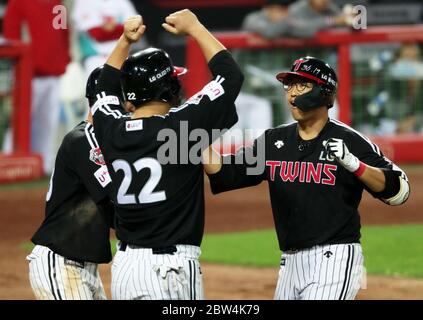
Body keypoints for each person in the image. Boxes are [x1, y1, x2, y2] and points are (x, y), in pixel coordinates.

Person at [203, 56, 410, 300]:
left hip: (335, 259)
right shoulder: (273, 141)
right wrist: (195, 136)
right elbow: (225, 173)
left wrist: (356, 165)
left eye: (302, 85)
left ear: (324, 93)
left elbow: (400, 191)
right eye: (289, 85)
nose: (292, 93)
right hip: (289, 263)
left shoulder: (350, 140)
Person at [92, 11, 243, 300]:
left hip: (125, 268)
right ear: (168, 88)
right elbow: (231, 76)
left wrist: (124, 40)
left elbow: (103, 91)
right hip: (169, 269)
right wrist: (196, 28)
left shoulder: (110, 127)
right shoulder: (180, 128)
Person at [26, 67, 115, 300]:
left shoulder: (109, 142)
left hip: (85, 268)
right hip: (61, 264)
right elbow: (114, 198)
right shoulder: (83, 140)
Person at [3, 0, 70, 174]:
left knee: (48, 122)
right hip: (27, 73)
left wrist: (64, 59)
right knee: (21, 122)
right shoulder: (18, 3)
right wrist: (19, 64)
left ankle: (44, 166)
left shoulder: (57, 4)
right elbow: (11, 35)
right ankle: (10, 164)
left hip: (53, 73)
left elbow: (63, 32)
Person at [72, 0, 146, 78]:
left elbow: (136, 28)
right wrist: (122, 28)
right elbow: (97, 34)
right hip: (95, 59)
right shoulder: (83, 2)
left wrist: (111, 29)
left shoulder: (123, 1)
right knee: (97, 89)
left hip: (123, 57)